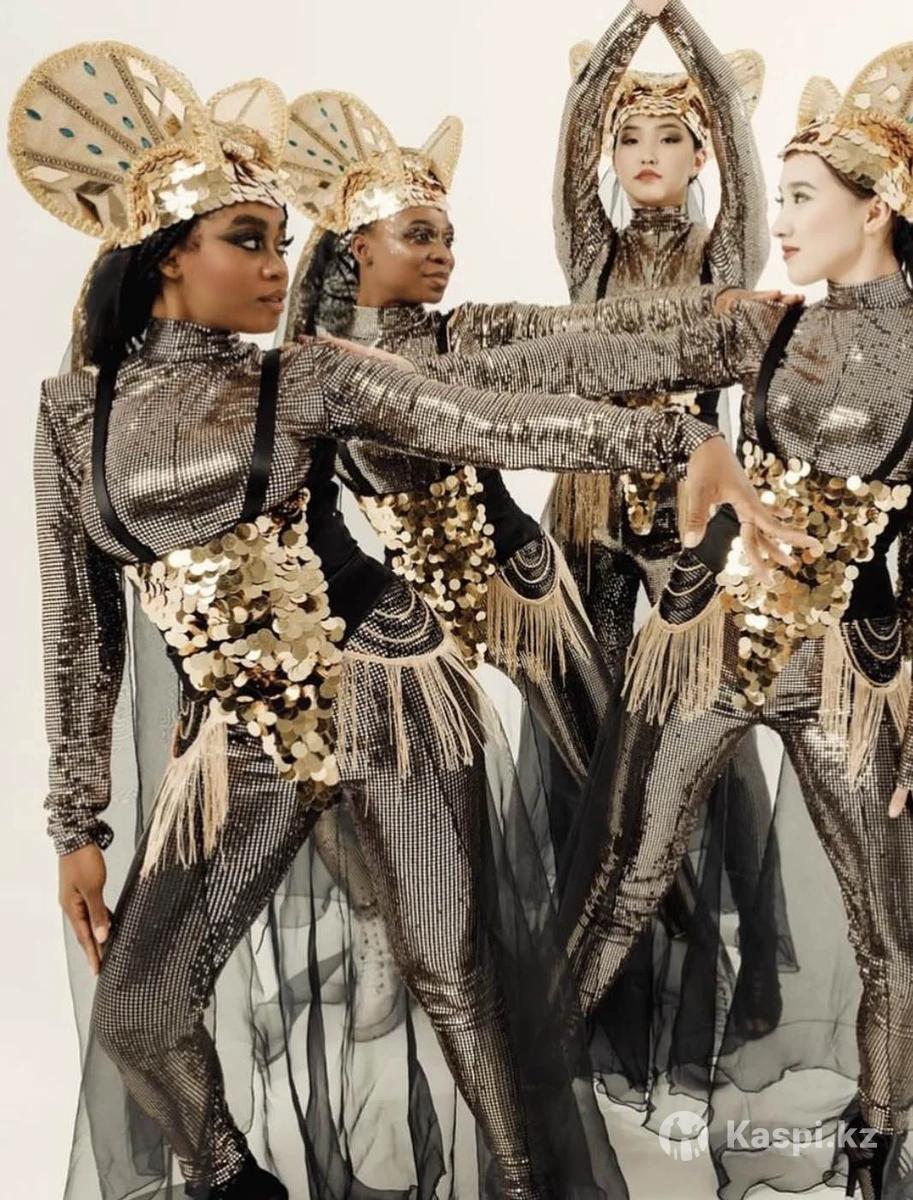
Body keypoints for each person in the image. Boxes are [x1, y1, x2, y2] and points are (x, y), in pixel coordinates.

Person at [11, 41, 797, 1200]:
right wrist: (77, 824)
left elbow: (496, 417)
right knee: (138, 1007)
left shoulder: (304, 377)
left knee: (456, 984)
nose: (277, 265)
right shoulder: (72, 416)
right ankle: (236, 1183)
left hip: (387, 693)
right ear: (166, 253)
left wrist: (679, 435)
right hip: (245, 737)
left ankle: (528, 1178)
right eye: (247, 239)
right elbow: (80, 629)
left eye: (283, 240)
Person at [559, 41, 913, 1200]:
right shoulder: (767, 323)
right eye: (780, 197)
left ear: (876, 209)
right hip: (709, 642)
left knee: (885, 926)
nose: (779, 222)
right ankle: (525, 1089)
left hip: (847, 670)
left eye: (803, 199)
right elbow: (617, 362)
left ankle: (877, 1143)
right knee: (628, 871)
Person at [551, 0, 790, 1107]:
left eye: (669, 138)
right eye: (628, 139)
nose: (645, 154)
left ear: (698, 157)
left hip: (692, 523)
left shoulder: (722, 254)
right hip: (588, 513)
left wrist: (676, 24)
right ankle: (612, 990)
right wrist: (618, 42)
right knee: (591, 742)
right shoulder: (591, 256)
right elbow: (571, 144)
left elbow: (744, 150)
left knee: (698, 740)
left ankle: (724, 971)